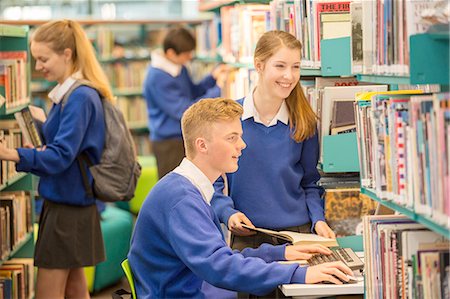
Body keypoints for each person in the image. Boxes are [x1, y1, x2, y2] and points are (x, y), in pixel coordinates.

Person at [128, 98, 353, 298]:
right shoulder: (181, 199)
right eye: (231, 138)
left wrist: (279, 253)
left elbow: (218, 256)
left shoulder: (187, 188)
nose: (242, 145)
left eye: (240, 136)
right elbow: (219, 266)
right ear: (202, 145)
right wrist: (300, 273)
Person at [0, 19, 111, 298]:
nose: (38, 67)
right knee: (75, 289)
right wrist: (45, 123)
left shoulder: (79, 97)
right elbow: (69, 147)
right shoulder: (71, 95)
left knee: (48, 292)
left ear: (67, 54)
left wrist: (10, 153)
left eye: (43, 59)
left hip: (68, 208)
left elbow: (61, 156)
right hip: (69, 203)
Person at [211, 30, 336, 251]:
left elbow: (310, 182)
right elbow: (213, 181)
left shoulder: (304, 122)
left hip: (298, 234)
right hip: (248, 236)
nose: (289, 75)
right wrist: (227, 213)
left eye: (295, 67)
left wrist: (318, 219)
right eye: (280, 66)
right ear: (259, 65)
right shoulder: (230, 118)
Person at [143, 26, 228, 179]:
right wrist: (219, 89)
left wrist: (212, 78)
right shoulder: (157, 76)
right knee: (174, 186)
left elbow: (194, 92)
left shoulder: (178, 67)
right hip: (168, 143)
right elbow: (184, 110)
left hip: (182, 136)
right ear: (170, 53)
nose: (190, 57)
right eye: (186, 54)